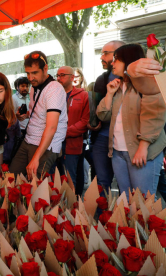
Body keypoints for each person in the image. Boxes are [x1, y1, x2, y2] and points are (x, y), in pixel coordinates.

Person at [96, 44, 166, 198]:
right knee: (126, 202)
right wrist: (109, 94)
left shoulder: (147, 84)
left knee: (143, 203)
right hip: (118, 152)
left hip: (142, 152)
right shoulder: (119, 85)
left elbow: (154, 114)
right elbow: (103, 115)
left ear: (129, 61)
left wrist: (143, 145)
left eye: (116, 59)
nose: (112, 63)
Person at [9, 51, 68, 179]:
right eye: (28, 73)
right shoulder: (34, 87)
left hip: (46, 145)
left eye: (34, 73)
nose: (30, 78)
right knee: (11, 178)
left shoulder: (54, 89)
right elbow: (39, 112)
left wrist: (36, 158)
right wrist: (24, 115)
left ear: (45, 68)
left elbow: (52, 127)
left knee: (36, 188)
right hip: (29, 139)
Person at [90, 40, 125, 193]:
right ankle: (101, 217)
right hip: (103, 138)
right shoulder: (102, 79)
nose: (101, 57)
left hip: (127, 140)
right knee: (101, 183)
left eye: (105, 53)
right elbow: (98, 112)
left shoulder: (138, 80)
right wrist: (92, 122)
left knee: (129, 187)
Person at [55, 66, 89, 195]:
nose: (59, 78)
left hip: (72, 144)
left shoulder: (83, 95)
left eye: (62, 75)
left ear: (72, 77)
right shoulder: (53, 95)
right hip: (53, 144)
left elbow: (85, 121)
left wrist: (65, 132)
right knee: (55, 179)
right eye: (57, 75)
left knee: (70, 179)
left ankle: (72, 210)